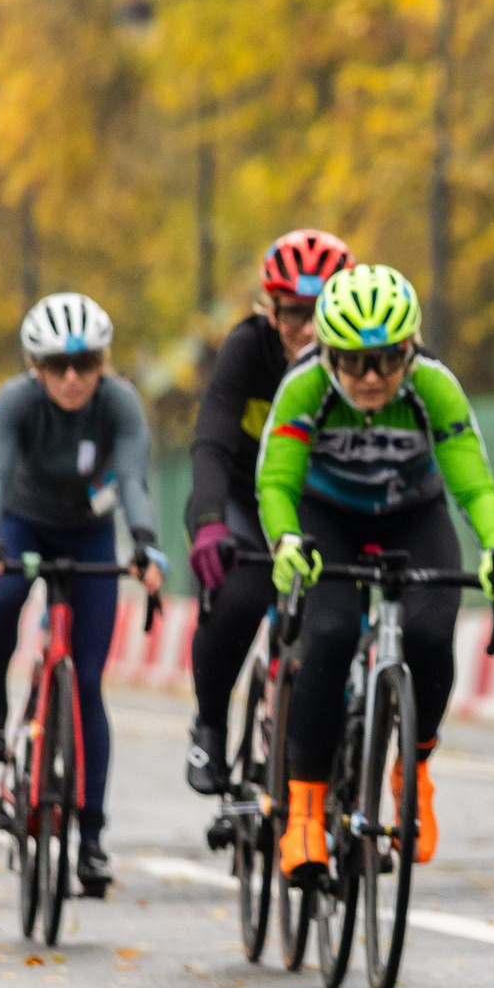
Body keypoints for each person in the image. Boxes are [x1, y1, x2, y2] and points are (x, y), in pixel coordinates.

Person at [255, 264, 494, 885]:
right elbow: (275, 479)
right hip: (327, 517)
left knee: (432, 634)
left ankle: (415, 771)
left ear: (410, 348)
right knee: (327, 636)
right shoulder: (304, 387)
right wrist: (286, 538)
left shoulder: (433, 386)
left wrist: (493, 546)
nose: (371, 378)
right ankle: (303, 811)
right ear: (326, 353)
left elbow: (472, 477)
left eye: (386, 360)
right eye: (352, 362)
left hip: (413, 515)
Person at [0, 292, 168, 899]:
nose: (73, 379)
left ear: (104, 363)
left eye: (86, 365)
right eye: (57, 366)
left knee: (84, 686)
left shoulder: (120, 403)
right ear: (36, 367)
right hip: (23, 523)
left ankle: (93, 839)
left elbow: (132, 480)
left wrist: (147, 545)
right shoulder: (15, 401)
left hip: (88, 535)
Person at [181, 228, 348, 797]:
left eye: (319, 313)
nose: (306, 330)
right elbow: (211, 441)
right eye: (293, 314)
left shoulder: (358, 362)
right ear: (270, 310)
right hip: (244, 498)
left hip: (319, 504)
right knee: (244, 593)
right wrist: (208, 523)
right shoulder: (248, 348)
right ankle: (209, 721)